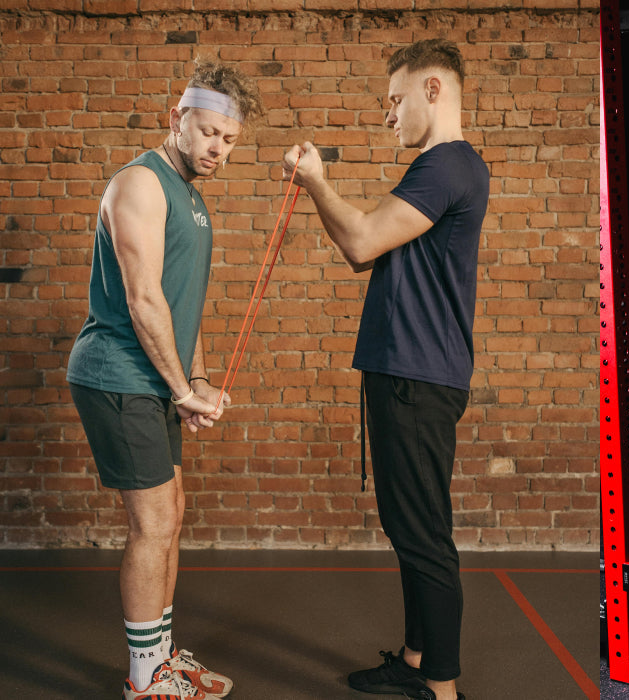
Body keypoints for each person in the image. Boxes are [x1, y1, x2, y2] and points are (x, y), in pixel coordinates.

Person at [281, 38, 487, 700]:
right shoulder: (444, 169)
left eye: (396, 100)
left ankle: (442, 688)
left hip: (417, 379)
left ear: (434, 90)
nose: (387, 115)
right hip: (411, 374)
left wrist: (315, 179)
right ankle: (416, 657)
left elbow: (362, 243)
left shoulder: (446, 165)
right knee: (408, 527)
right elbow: (376, 251)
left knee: (424, 534)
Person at [67, 58, 264, 700]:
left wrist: (197, 379)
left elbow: (185, 305)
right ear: (175, 118)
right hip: (118, 374)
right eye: (208, 132)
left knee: (171, 515)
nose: (218, 149)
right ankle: (145, 680)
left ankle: (162, 656)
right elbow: (145, 298)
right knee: (152, 524)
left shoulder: (190, 197)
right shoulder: (141, 186)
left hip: (154, 377)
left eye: (229, 139)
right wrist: (181, 390)